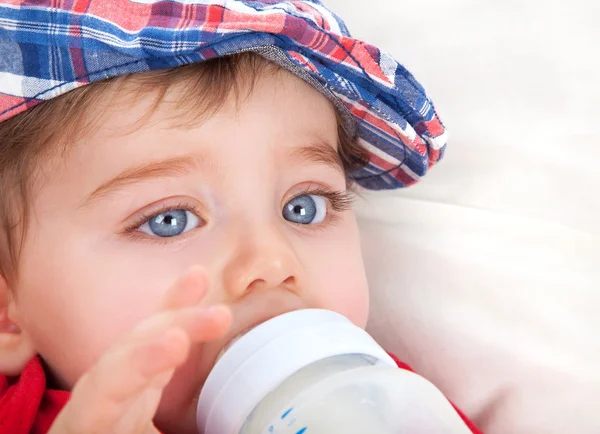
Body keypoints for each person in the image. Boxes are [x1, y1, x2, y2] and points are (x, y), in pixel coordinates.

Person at [0, 1, 481, 433]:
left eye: (303, 207)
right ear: (7, 316)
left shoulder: (380, 398)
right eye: (169, 219)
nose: (271, 261)